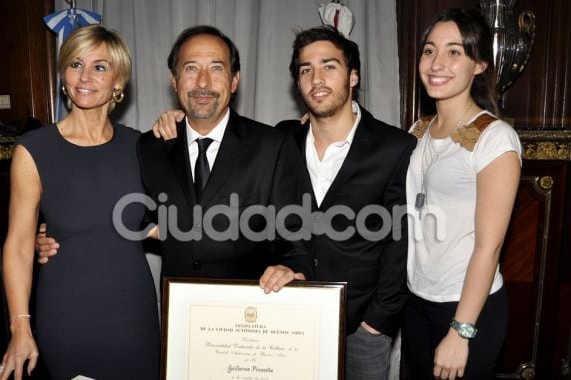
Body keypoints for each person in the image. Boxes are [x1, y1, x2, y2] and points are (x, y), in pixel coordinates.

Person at [153, 25, 417, 380]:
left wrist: (377, 322)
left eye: (329, 66)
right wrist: (176, 119)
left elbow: (400, 242)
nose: (316, 78)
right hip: (286, 314)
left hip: (360, 325)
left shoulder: (394, 147)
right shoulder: (282, 138)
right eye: (306, 69)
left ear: (353, 75)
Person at [37, 25, 313, 291]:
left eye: (216, 68)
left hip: (249, 314)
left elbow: (295, 230)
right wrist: (62, 231)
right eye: (190, 68)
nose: (203, 82)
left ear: (234, 80)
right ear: (174, 80)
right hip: (178, 312)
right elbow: (131, 215)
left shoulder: (272, 146)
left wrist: (290, 267)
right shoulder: (150, 147)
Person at [0, 25, 160, 380]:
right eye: (75, 64)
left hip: (133, 315)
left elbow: (164, 225)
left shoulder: (142, 146)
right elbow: (20, 246)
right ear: (63, 74)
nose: (85, 76)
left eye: (100, 67)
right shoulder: (34, 149)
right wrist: (20, 327)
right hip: (67, 314)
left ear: (119, 81)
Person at [402, 9, 521, 380]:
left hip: (466, 308)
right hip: (417, 300)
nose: (437, 63)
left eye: (454, 52)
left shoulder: (494, 137)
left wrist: (460, 331)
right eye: (429, 50)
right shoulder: (418, 130)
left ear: (480, 63)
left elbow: (489, 246)